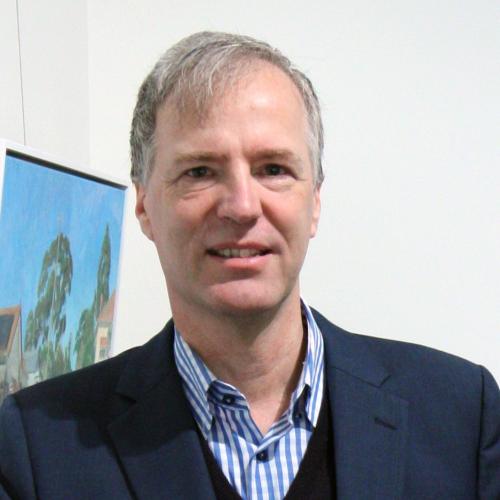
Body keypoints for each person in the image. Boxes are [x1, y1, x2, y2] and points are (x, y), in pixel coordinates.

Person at [0, 31, 499, 500]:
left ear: (315, 202)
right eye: (200, 171)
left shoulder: (461, 415)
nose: (242, 206)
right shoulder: (37, 446)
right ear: (145, 206)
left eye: (273, 169)